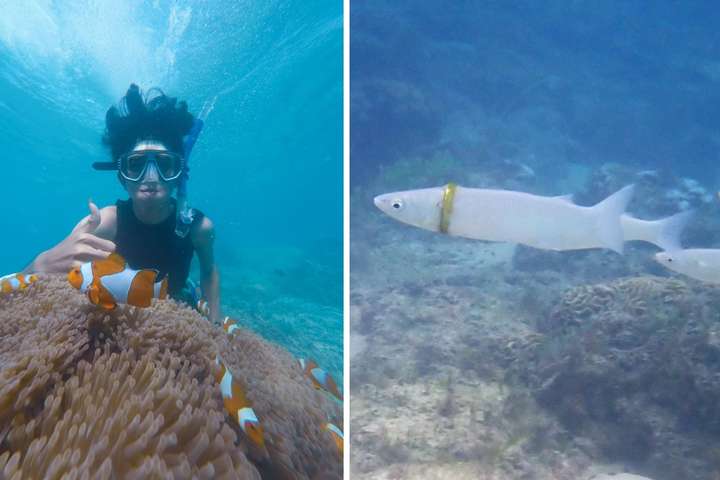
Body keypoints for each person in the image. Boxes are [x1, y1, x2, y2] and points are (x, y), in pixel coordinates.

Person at [23, 84, 220, 322]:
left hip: (177, 297)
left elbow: (209, 272)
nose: (151, 177)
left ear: (178, 174)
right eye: (136, 165)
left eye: (165, 165)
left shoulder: (198, 228)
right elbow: (60, 272)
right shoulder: (104, 222)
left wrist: (215, 322)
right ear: (122, 177)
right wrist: (40, 263)